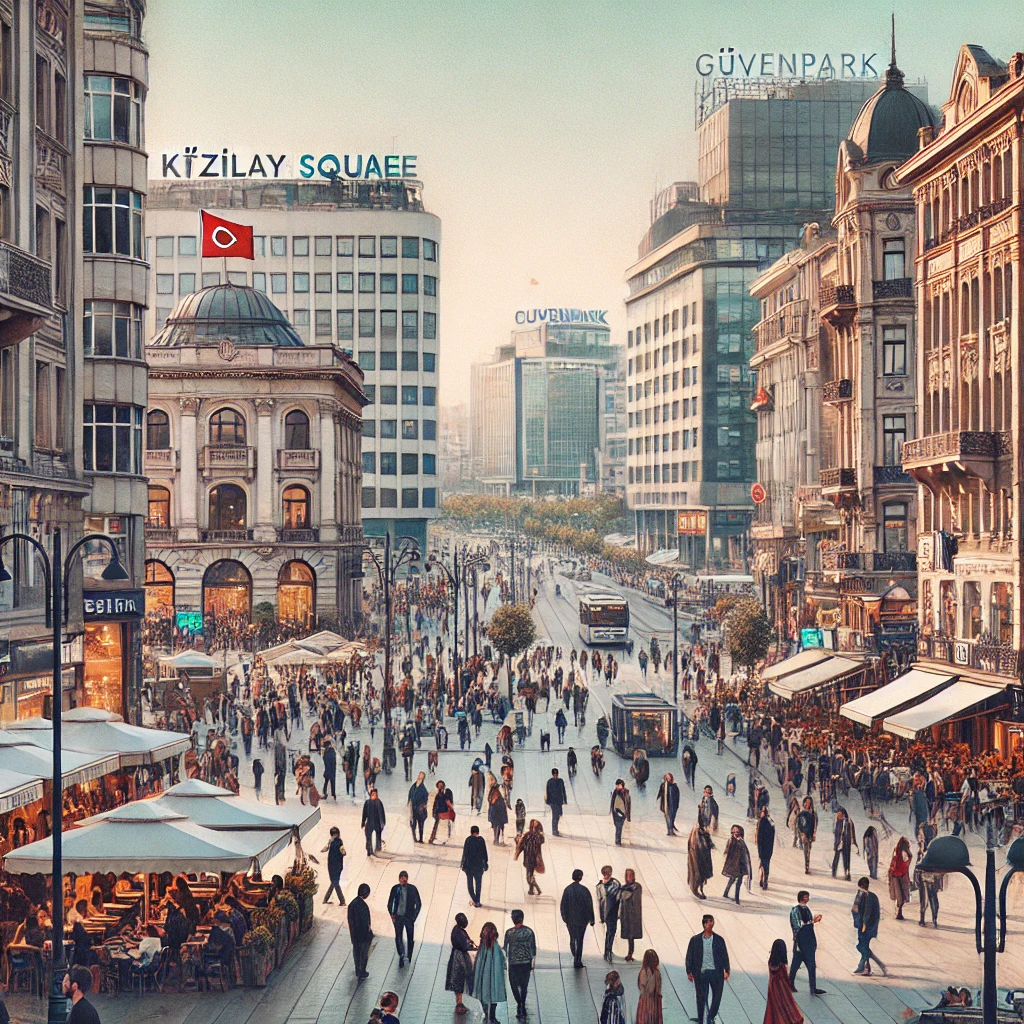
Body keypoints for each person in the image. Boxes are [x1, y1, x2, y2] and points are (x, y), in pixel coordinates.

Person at [685, 915, 729, 1024]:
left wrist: (727, 969)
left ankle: (711, 1016)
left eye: (712, 923)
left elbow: (724, 955)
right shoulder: (695, 940)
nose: (710, 926)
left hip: (716, 972)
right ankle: (701, 1019)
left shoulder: (719, 940)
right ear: (704, 925)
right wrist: (689, 971)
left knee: (717, 996)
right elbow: (689, 956)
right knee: (701, 997)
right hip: (701, 972)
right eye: (709, 924)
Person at [788, 891, 825, 995]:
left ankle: (813, 987)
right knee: (796, 965)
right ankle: (790, 983)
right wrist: (813, 921)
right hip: (801, 941)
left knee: (811, 965)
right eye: (805, 897)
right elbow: (799, 924)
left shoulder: (806, 909)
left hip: (808, 941)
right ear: (801, 898)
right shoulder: (795, 910)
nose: (807, 898)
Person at [503, 909, 537, 1020]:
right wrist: (532, 962)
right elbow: (533, 949)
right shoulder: (529, 932)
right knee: (524, 986)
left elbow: (504, 947)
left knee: (514, 985)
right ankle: (522, 1004)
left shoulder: (509, 933)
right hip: (526, 963)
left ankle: (519, 1003)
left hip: (513, 963)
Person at [560, 868, 595, 968]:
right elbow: (589, 905)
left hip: (570, 920)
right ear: (581, 877)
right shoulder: (584, 890)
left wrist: (565, 918)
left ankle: (574, 953)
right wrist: (591, 919)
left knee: (572, 937)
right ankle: (577, 960)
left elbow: (563, 905)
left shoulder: (567, 890)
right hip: (582, 920)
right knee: (580, 940)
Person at [473, 921, 507, 1024]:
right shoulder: (495, 947)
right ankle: (492, 1017)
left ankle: (487, 1014)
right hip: (494, 977)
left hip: (483, 977)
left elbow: (478, 963)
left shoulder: (482, 948)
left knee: (483, 996)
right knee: (493, 997)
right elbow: (502, 962)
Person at [852, 876, 886, 976]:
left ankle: (865, 967)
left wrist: (865, 924)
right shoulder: (862, 895)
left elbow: (869, 912)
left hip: (867, 927)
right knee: (863, 946)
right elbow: (855, 909)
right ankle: (866, 965)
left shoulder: (870, 897)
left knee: (863, 946)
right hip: (862, 925)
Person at [387, 870, 422, 968]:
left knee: (410, 937)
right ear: (399, 880)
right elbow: (390, 902)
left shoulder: (412, 889)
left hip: (408, 917)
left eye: (405, 880)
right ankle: (401, 955)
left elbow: (418, 903)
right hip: (398, 917)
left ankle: (409, 955)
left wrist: (413, 917)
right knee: (398, 937)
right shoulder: (395, 889)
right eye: (402, 880)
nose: (403, 882)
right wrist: (392, 914)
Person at [763, 939, 803, 1024]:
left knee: (774, 1012)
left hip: (773, 991)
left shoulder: (771, 962)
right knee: (787, 1010)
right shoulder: (781, 966)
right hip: (782, 991)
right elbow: (784, 980)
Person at [446, 912, 476, 1015]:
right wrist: (473, 947)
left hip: (459, 956)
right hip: (458, 958)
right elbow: (464, 945)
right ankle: (459, 1003)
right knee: (458, 980)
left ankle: (459, 1002)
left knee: (460, 980)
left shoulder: (459, 930)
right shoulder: (458, 932)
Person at [347, 882, 373, 980]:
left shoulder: (352, 904)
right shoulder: (363, 905)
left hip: (355, 934)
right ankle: (362, 970)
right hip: (363, 934)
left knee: (356, 951)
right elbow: (367, 921)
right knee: (364, 953)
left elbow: (350, 921)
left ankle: (357, 969)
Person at [596, 865, 621, 963]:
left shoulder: (616, 884)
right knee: (610, 932)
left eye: (608, 873)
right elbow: (599, 901)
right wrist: (601, 916)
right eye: (605, 874)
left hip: (613, 912)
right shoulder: (600, 886)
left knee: (611, 932)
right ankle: (607, 951)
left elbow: (619, 899)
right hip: (606, 912)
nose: (607, 875)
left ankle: (608, 951)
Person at [722, 824, 752, 904]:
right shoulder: (736, 842)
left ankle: (727, 894)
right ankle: (736, 899)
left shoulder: (736, 841)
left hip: (738, 865)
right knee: (737, 881)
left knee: (733, 879)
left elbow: (745, 855)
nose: (735, 834)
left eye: (737, 833)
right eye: (734, 832)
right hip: (737, 865)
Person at [515, 819, 546, 896]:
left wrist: (517, 853)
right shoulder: (538, 836)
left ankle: (535, 887)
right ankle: (531, 889)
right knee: (530, 873)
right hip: (534, 858)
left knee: (528, 875)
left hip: (528, 858)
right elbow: (542, 840)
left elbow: (520, 844)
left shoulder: (527, 835)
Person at [618, 868, 643, 962]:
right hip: (625, 915)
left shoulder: (636, 886)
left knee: (631, 935)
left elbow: (632, 900)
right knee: (628, 935)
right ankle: (629, 953)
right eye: (627, 875)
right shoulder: (624, 887)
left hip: (633, 916)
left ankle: (630, 953)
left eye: (630, 875)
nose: (628, 877)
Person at [461, 824, 489, 907]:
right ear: (478, 832)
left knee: (470, 885)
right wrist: (485, 864)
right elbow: (485, 854)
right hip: (479, 867)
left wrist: (463, 864)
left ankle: (474, 899)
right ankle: (478, 900)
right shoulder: (481, 840)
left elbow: (465, 853)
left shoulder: (468, 840)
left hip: (469, 866)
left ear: (471, 832)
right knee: (478, 885)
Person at [687, 815, 714, 899]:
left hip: (704, 856)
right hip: (697, 856)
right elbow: (698, 844)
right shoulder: (697, 830)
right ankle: (695, 890)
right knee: (697, 874)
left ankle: (701, 889)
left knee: (703, 874)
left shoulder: (703, 830)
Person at [636, 948, 664, 1024]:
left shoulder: (656, 972)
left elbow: (658, 985)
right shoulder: (644, 971)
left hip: (655, 1000)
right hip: (647, 1000)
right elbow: (642, 986)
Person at [888, 837, 912, 920]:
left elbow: (893, 862)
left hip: (895, 875)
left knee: (899, 897)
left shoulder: (896, 851)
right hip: (901, 876)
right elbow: (905, 864)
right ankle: (898, 913)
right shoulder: (904, 853)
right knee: (901, 897)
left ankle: (898, 913)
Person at [321, 826, 346, 905]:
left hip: (333, 865)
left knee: (334, 882)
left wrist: (323, 850)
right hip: (336, 865)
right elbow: (343, 852)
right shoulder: (336, 842)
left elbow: (326, 849)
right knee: (334, 882)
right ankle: (338, 900)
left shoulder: (335, 842)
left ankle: (340, 900)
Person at [832, 808, 858, 881]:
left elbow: (851, 834)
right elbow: (836, 834)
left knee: (846, 858)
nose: (838, 815)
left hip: (846, 843)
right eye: (837, 814)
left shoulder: (847, 822)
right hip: (839, 843)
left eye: (839, 814)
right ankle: (834, 872)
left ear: (843, 814)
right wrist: (836, 844)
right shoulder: (838, 822)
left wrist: (852, 842)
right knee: (836, 858)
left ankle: (847, 873)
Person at [429, 779, 456, 844]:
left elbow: (450, 802)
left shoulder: (447, 792)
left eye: (441, 785)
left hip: (445, 813)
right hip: (439, 814)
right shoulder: (438, 795)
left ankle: (444, 840)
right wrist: (434, 813)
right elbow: (435, 805)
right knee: (437, 827)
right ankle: (435, 839)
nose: (440, 787)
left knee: (444, 827)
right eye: (439, 786)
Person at [362, 787, 386, 856]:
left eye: (375, 794)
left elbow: (382, 814)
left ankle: (378, 849)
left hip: (377, 823)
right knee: (368, 837)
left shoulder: (379, 802)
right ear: (370, 794)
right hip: (369, 823)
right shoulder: (367, 802)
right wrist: (363, 822)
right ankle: (369, 850)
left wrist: (383, 823)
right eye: (373, 794)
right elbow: (364, 813)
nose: (374, 795)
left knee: (378, 836)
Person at [756, 806, 776, 890]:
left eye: (762, 811)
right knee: (765, 863)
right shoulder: (771, 821)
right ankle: (762, 880)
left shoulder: (762, 822)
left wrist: (759, 848)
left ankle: (764, 881)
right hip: (769, 847)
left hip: (763, 847)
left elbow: (760, 836)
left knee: (764, 864)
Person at [796, 798, 817, 875]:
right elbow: (798, 822)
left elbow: (815, 824)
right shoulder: (802, 812)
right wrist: (799, 832)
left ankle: (807, 863)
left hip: (810, 833)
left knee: (808, 849)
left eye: (809, 802)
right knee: (806, 849)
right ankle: (806, 866)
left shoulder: (813, 813)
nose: (808, 804)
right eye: (806, 802)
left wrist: (814, 833)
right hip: (803, 833)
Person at [545, 767, 568, 836]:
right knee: (555, 815)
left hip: (559, 801)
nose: (555, 775)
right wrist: (548, 800)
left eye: (556, 774)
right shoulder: (550, 782)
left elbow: (563, 790)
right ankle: (554, 830)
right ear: (552, 774)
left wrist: (565, 799)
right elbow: (548, 791)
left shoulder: (560, 781)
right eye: (554, 774)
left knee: (558, 815)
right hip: (553, 801)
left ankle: (556, 829)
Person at [408, 772, 429, 843]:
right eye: (419, 775)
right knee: (413, 824)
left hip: (419, 809)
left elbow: (426, 798)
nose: (419, 777)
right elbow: (410, 795)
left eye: (421, 776)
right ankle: (414, 838)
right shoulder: (413, 786)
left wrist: (423, 805)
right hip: (413, 808)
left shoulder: (423, 788)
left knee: (420, 824)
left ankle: (420, 839)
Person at [610, 778, 631, 846]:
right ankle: (618, 840)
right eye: (616, 785)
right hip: (616, 811)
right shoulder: (615, 791)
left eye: (617, 785)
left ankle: (617, 841)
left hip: (622, 812)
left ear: (621, 785)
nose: (616, 786)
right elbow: (612, 801)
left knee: (619, 826)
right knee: (617, 826)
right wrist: (612, 810)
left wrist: (628, 816)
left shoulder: (626, 792)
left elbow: (628, 803)